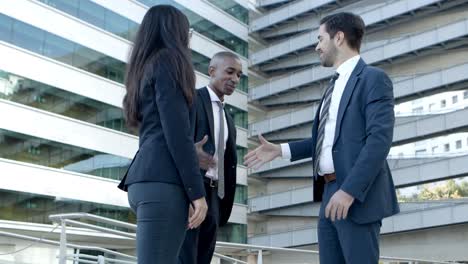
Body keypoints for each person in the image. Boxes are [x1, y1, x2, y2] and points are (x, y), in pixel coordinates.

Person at [244, 12, 399, 264]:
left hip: (355, 195)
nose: (317, 46)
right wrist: (280, 150)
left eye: (320, 38)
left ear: (338, 38)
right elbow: (325, 142)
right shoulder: (332, 86)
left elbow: (379, 140)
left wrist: (349, 191)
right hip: (329, 192)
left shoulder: (373, 78)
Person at [117, 5, 208, 264]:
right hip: (164, 185)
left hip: (145, 182)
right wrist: (196, 193)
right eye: (187, 30)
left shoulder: (143, 68)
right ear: (175, 31)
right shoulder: (170, 60)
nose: (189, 37)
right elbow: (177, 132)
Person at [179, 51, 241, 264]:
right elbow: (177, 144)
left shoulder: (229, 118)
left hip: (215, 195)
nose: (235, 79)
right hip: (193, 191)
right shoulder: (191, 100)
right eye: (230, 72)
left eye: (239, 75)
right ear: (212, 71)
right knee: (185, 256)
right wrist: (185, 195)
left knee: (204, 257)